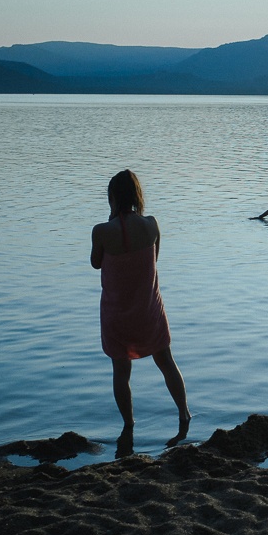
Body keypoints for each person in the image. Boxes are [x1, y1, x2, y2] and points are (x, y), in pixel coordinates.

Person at [91, 170, 190, 442]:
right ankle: (184, 414)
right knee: (166, 362)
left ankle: (129, 426)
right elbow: (154, 258)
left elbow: (95, 262)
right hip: (148, 308)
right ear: (136, 195)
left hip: (117, 313)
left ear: (113, 197)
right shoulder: (152, 225)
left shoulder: (101, 231)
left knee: (121, 372)